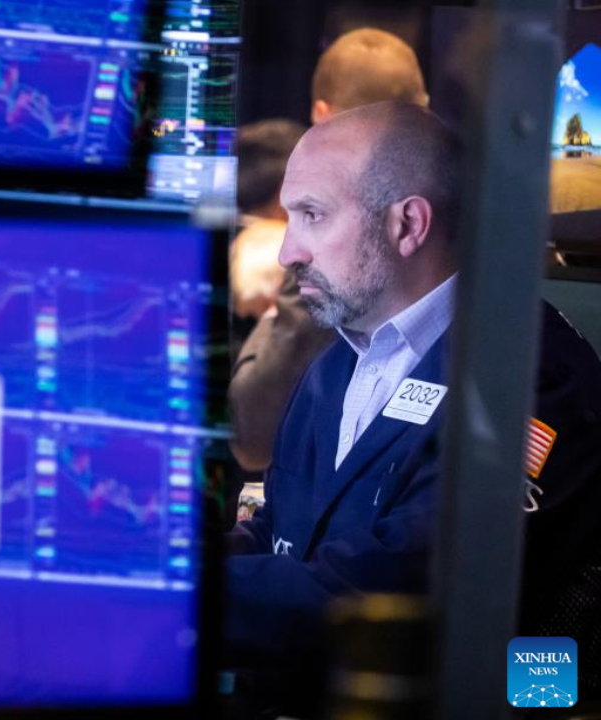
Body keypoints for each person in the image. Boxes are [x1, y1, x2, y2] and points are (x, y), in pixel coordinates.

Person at [224, 102, 601, 693]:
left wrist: (180, 599)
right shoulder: (341, 358)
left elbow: (390, 601)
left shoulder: (527, 377)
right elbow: (280, 526)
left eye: (313, 216)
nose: (287, 251)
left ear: (408, 225)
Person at [228, 28, 429, 474]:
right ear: (425, 105)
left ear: (321, 115)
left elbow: (253, 434)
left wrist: (269, 308)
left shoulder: (332, 246)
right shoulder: (467, 211)